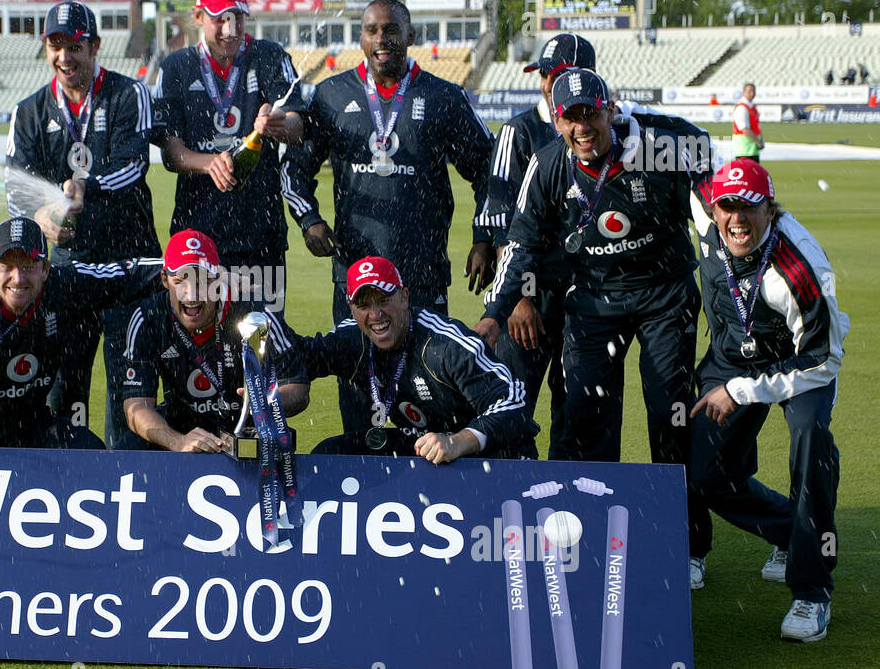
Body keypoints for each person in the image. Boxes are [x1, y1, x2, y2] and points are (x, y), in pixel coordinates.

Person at [476, 68, 709, 468]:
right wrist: (493, 314)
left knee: (669, 408)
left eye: (591, 114)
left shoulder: (661, 152)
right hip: (594, 298)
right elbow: (521, 244)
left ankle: (682, 524)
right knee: (584, 408)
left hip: (665, 295)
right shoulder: (547, 164)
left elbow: (709, 218)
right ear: (557, 119)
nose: (582, 127)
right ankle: (586, 516)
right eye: (571, 117)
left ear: (610, 111)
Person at [282, 0, 495, 433]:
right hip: (355, 277)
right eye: (373, 30)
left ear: (410, 36)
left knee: (432, 385)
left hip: (421, 272)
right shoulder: (331, 95)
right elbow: (294, 169)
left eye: (392, 30)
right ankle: (363, 488)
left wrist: (483, 234)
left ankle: (436, 484)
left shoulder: (443, 97)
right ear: (361, 38)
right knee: (359, 388)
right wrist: (309, 221)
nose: (383, 40)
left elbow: (490, 171)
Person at [687, 161, 848, 642]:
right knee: (703, 472)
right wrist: (627, 120)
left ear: (770, 209)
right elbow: (679, 154)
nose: (735, 219)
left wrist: (742, 390)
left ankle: (812, 592)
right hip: (732, 353)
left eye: (748, 208)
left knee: (810, 444)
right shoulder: (704, 205)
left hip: (802, 360)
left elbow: (825, 357)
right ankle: (791, 535)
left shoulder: (799, 269)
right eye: (726, 206)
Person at [3, 0, 160, 448]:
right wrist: (42, 218)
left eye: (75, 46)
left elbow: (134, 167)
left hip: (132, 268)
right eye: (56, 46)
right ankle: (69, 487)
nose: (65, 57)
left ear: (94, 46)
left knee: (128, 392)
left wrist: (83, 189)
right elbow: (17, 191)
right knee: (64, 389)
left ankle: (128, 487)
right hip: (68, 272)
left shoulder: (129, 94)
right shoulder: (29, 111)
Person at [0, 218, 159, 448]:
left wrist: (190, 267)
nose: (18, 278)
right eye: (7, 266)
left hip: (31, 428)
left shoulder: (63, 285)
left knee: (90, 455)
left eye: (28, 265)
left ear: (46, 268)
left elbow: (126, 274)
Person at [151, 0, 304, 317]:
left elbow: (299, 125)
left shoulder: (269, 56)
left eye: (237, 18)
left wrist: (279, 124)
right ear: (198, 16)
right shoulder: (176, 66)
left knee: (263, 344)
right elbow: (170, 153)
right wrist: (208, 163)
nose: (230, 30)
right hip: (196, 237)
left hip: (260, 237)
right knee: (199, 348)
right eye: (220, 19)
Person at [474, 33, 597, 457]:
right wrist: (518, 299)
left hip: (584, 293)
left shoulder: (597, 130)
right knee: (511, 401)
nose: (547, 83)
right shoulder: (519, 130)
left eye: (558, 74)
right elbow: (502, 221)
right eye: (544, 73)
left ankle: (572, 500)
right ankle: (510, 499)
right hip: (531, 292)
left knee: (578, 407)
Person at [300, 256, 536, 462]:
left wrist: (458, 441)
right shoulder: (351, 338)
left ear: (404, 297)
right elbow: (300, 355)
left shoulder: (445, 344)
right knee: (331, 454)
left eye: (383, 300)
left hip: (491, 458)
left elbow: (515, 403)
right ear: (352, 309)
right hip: (425, 450)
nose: (375, 315)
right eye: (363, 305)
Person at [121, 230, 309, 452]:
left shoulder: (256, 312)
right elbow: (136, 406)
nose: (191, 296)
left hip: (249, 432)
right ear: (164, 280)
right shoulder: (147, 318)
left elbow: (298, 388)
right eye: (181, 281)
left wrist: (263, 404)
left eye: (202, 281)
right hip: (181, 430)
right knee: (129, 443)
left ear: (218, 278)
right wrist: (177, 441)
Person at [731, 82, 765, 162]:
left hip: (752, 149)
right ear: (744, 92)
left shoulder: (752, 107)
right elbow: (744, 129)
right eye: (749, 91)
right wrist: (758, 142)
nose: (752, 93)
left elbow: (757, 126)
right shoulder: (742, 108)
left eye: (753, 91)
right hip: (744, 150)